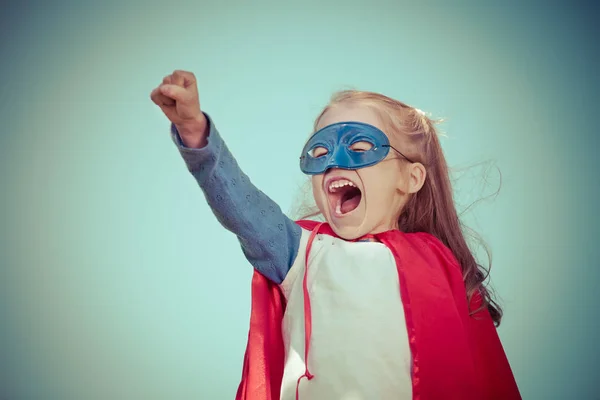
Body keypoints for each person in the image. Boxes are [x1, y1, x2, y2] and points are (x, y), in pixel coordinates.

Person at [151, 70, 521, 400]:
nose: (334, 161)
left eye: (359, 148)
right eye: (320, 151)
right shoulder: (301, 252)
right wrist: (195, 133)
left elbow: (479, 375)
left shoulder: (442, 268)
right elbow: (243, 208)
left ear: (411, 179)